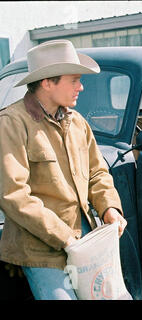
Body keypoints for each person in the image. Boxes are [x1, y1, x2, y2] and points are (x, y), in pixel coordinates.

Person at [0, 39, 127, 300]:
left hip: (86, 242)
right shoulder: (11, 123)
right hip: (40, 250)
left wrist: (109, 208)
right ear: (47, 82)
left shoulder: (77, 122)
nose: (81, 87)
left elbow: (97, 173)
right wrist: (65, 238)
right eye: (74, 80)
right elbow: (14, 195)